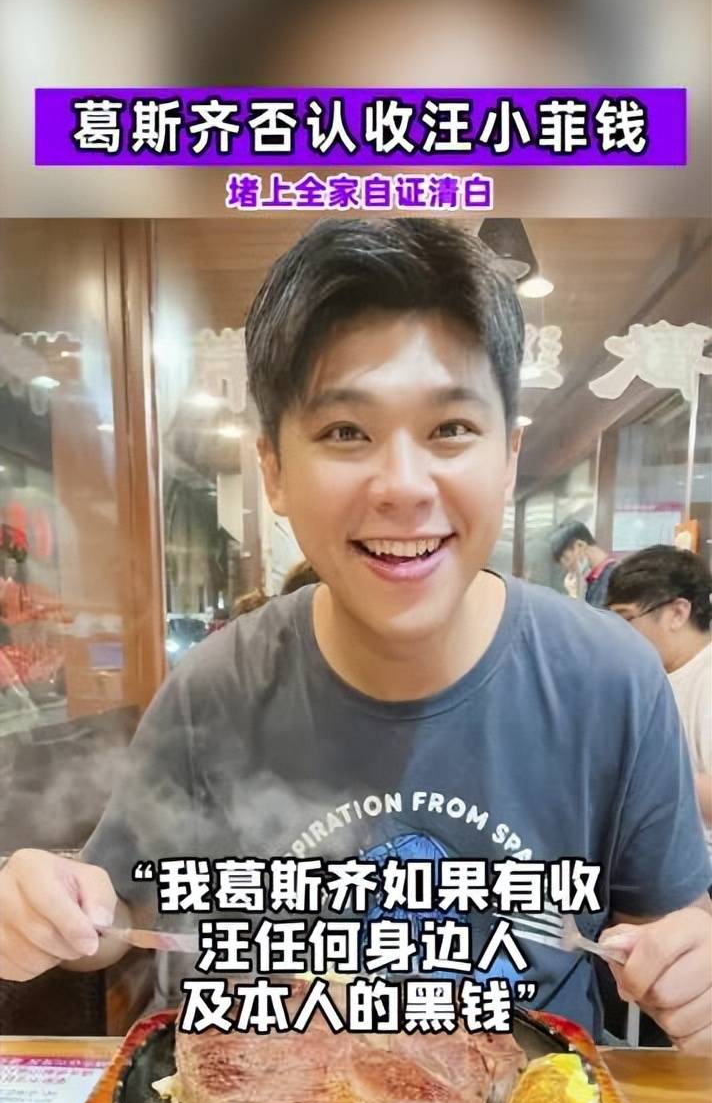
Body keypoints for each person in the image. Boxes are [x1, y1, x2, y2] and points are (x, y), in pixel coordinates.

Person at [0, 219, 710, 1051]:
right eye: (346, 433)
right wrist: (50, 910)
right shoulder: (217, 686)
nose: (403, 487)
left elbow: (664, 924)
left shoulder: (610, 678)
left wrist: (691, 969)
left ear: (509, 457)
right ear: (273, 470)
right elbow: (118, 914)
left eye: (450, 429)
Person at [606, 545, 712, 863]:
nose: (618, 635)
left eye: (626, 619)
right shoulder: (652, 674)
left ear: (678, 613)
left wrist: (643, 771)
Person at [550, 521, 617, 608]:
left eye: (567, 559)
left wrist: (573, 596)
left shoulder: (613, 577)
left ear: (580, 545)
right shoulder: (594, 578)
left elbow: (594, 616)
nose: (568, 568)